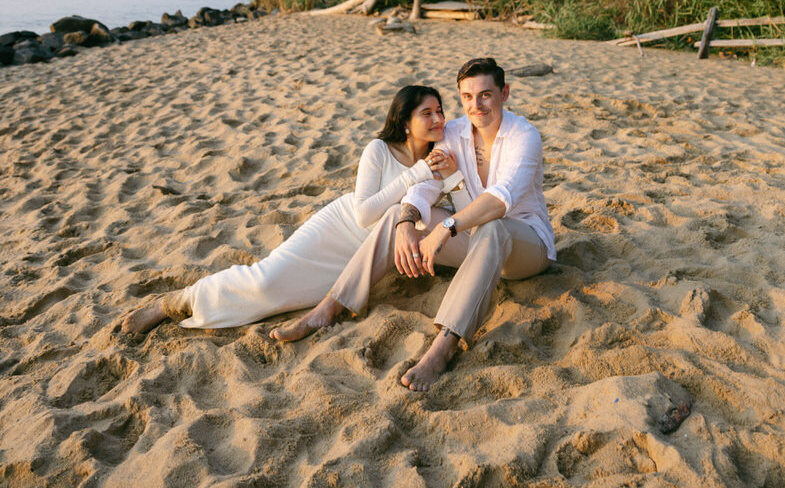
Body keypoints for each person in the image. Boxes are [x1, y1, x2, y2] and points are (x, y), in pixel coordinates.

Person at [271, 56, 556, 392]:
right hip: (474, 242)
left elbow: (499, 201)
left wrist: (445, 227)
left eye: (485, 95)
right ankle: (330, 306)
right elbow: (426, 184)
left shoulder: (524, 136)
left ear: (504, 93)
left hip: (525, 247)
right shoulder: (453, 132)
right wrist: (407, 222)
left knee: (494, 227)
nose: (476, 106)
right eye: (467, 97)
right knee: (395, 214)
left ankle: (443, 346)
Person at [121, 85, 457, 336]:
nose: (438, 119)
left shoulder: (441, 155)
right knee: (266, 281)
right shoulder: (380, 150)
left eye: (440, 111)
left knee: (296, 299)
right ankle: (175, 303)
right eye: (427, 113)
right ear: (404, 121)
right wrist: (418, 172)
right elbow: (364, 214)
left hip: (371, 253)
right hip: (339, 230)